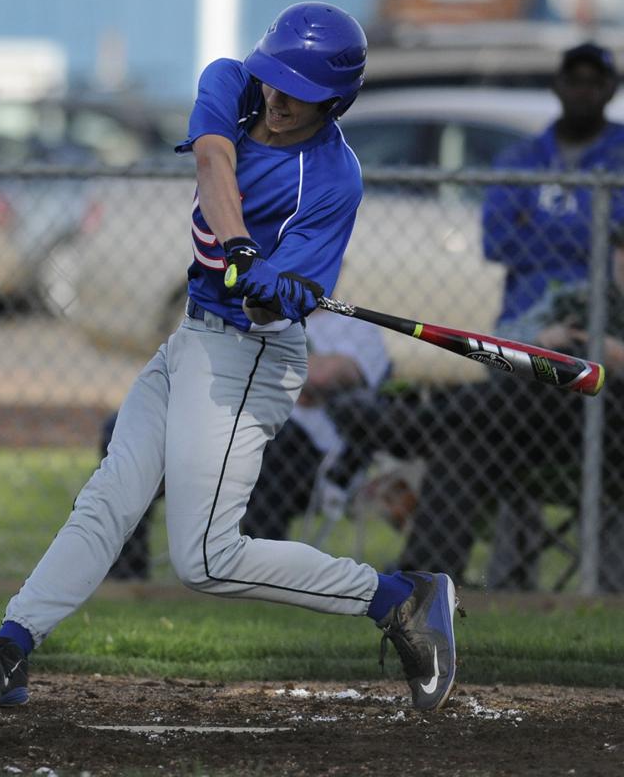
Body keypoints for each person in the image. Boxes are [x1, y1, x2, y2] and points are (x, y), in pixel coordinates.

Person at [0, 2, 460, 713]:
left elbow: (275, 310)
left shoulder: (332, 179)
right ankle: (10, 647)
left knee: (207, 559)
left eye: (300, 93)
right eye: (276, 80)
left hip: (249, 359)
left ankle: (398, 598)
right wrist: (242, 246)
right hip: (191, 339)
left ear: (335, 101)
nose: (279, 100)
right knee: (111, 496)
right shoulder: (231, 82)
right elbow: (215, 160)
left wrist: (275, 293)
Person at [396, 235, 624, 591]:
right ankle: (426, 581)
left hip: (611, 433)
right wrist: (544, 338)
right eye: (621, 250)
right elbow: (504, 339)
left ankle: (420, 422)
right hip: (539, 429)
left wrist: (611, 353)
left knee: (528, 395)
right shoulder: (581, 299)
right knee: (464, 447)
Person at [101, 311, 390, 579]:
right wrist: (292, 377)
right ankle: (126, 574)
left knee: (269, 437)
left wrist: (248, 367)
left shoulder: (358, 328)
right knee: (129, 425)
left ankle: (262, 577)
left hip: (305, 456)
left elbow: (324, 376)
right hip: (220, 427)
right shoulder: (245, 311)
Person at [483, 41, 624, 331]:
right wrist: (593, 233)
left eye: (594, 82)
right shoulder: (521, 158)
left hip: (607, 320)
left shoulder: (619, 156)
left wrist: (536, 226)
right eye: (574, 81)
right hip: (526, 314)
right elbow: (496, 242)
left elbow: (618, 238)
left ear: (611, 89)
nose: (583, 91)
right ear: (557, 86)